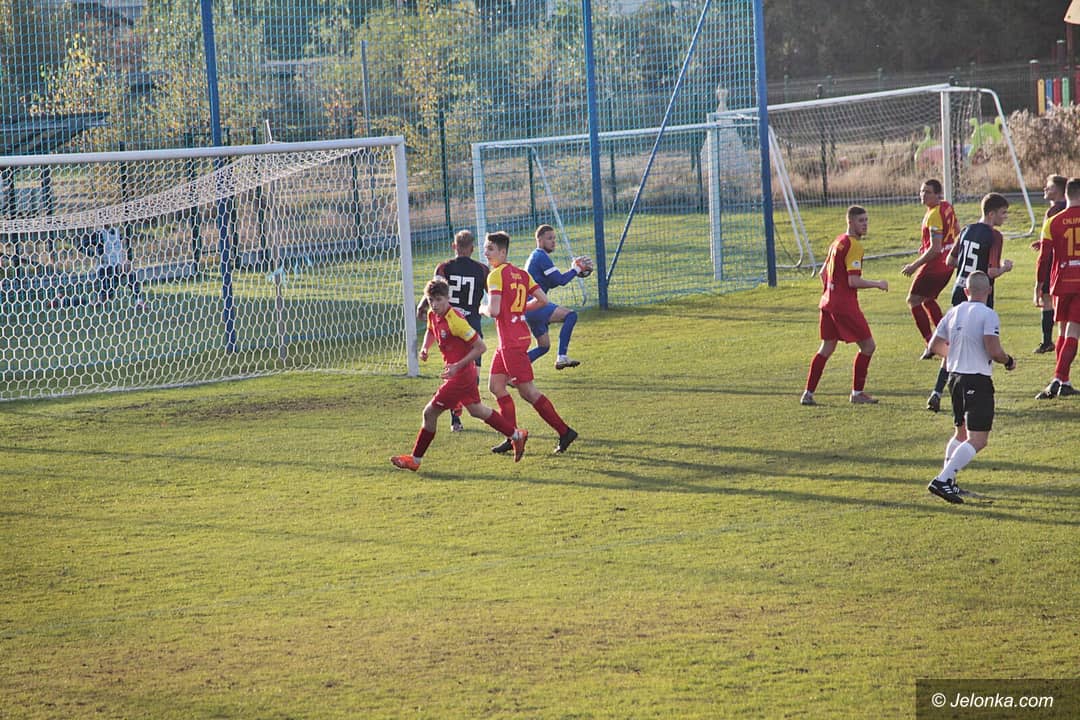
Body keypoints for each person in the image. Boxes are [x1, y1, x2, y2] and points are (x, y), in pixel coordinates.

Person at [390, 278, 527, 471]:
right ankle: (516, 435)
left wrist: (457, 366)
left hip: (460, 376)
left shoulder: (456, 320)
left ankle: (415, 460)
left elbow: (481, 347)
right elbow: (431, 330)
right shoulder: (432, 314)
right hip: (462, 374)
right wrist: (425, 348)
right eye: (431, 300)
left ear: (448, 298)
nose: (434, 305)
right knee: (477, 410)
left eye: (439, 300)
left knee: (429, 413)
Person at [481, 231, 578, 455]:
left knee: (529, 392)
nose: (486, 253)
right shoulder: (522, 274)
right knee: (496, 386)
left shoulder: (495, 276)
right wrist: (520, 309)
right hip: (515, 338)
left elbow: (494, 311)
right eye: (486, 249)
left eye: (490, 249)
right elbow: (543, 300)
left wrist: (481, 308)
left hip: (511, 343)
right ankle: (511, 435)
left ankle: (565, 431)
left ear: (502, 252)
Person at [925, 271, 1016, 504]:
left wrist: (954, 355)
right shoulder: (988, 314)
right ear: (989, 291)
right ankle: (942, 480)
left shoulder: (953, 312)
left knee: (961, 433)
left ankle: (949, 481)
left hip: (954, 378)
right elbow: (994, 350)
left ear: (966, 291)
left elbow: (934, 345)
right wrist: (1008, 361)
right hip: (977, 380)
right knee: (978, 439)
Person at [925, 193, 1013, 412]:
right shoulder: (994, 236)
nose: (1005, 217)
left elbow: (950, 260)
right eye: (1003, 213)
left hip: (960, 291)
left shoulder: (966, 230)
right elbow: (991, 271)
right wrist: (1005, 267)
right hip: (980, 295)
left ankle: (937, 391)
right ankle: (976, 393)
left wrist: (967, 267)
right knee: (984, 342)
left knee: (954, 343)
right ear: (991, 214)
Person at [801, 206, 889, 406]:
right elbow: (853, 281)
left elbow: (823, 273)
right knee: (868, 346)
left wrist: (831, 291)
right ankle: (857, 393)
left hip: (827, 302)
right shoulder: (854, 246)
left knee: (826, 347)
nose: (865, 225)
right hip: (844, 306)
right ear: (850, 222)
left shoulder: (837, 241)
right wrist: (878, 284)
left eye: (866, 220)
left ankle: (808, 393)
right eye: (861, 221)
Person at [415, 230, 489, 432]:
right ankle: (474, 409)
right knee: (473, 373)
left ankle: (457, 418)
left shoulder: (444, 267)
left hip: (449, 326)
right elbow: (493, 292)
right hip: (471, 325)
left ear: (454, 246)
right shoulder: (482, 269)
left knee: (454, 373)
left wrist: (422, 305)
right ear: (472, 248)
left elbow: (434, 291)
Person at [1033, 176, 1080, 399]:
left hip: (1060, 281)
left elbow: (1043, 258)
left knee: (1062, 330)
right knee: (1073, 331)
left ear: (1066, 194)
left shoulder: (1053, 221)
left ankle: (1065, 381)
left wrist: (1038, 285)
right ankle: (1058, 379)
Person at [524, 224, 592, 370]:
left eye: (554, 238)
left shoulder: (536, 256)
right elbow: (560, 280)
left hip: (530, 308)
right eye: (549, 238)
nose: (553, 242)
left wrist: (574, 271)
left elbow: (553, 282)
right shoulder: (541, 256)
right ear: (539, 240)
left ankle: (513, 370)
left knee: (544, 346)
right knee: (571, 315)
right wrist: (577, 269)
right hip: (536, 305)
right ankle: (562, 356)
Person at [901, 179, 958, 348]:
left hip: (935, 265)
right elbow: (957, 230)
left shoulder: (934, 215)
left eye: (928, 192)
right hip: (947, 263)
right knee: (928, 299)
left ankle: (931, 344)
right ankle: (945, 341)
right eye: (922, 191)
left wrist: (914, 266)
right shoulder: (946, 206)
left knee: (913, 300)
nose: (923, 195)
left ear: (938, 194)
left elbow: (935, 248)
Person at [53, 224, 147, 310]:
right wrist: (95, 255)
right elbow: (81, 246)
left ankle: (139, 301)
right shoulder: (98, 234)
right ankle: (64, 301)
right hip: (106, 271)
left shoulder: (117, 231)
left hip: (118, 268)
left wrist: (124, 259)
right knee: (97, 303)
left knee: (128, 269)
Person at [1031, 174, 1067, 354]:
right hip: (1068, 260)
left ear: (1060, 190)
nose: (1045, 189)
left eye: (1050, 186)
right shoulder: (1069, 208)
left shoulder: (1054, 211)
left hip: (1053, 261)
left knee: (1046, 299)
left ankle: (1047, 341)